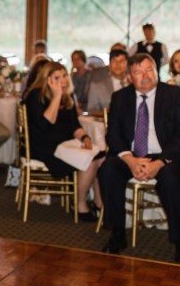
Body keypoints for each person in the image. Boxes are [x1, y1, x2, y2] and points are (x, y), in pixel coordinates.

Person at [99, 53, 180, 261]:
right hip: (132, 155)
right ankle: (117, 232)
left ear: (157, 71)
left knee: (172, 178)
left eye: (149, 70)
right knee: (107, 169)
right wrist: (130, 160)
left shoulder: (174, 95)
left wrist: (160, 162)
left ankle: (178, 240)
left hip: (165, 156)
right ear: (129, 77)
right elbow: (113, 135)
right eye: (138, 72)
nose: (145, 76)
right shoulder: (121, 97)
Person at [23, 63, 103, 222]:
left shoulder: (68, 97)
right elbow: (46, 124)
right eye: (57, 78)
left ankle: (99, 202)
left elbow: (74, 125)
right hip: (45, 147)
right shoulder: (35, 95)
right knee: (91, 160)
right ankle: (80, 205)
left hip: (66, 145)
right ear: (47, 80)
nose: (63, 80)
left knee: (100, 155)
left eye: (64, 76)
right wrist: (57, 96)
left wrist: (85, 137)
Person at [85, 49, 129, 115]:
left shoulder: (135, 84)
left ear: (127, 63)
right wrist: (108, 113)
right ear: (109, 64)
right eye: (114, 61)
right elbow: (91, 111)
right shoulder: (97, 86)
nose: (118, 64)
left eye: (121, 61)